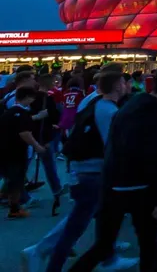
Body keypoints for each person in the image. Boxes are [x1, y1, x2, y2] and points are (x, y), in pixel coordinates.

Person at [69, 66, 157, 272]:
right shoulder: (151, 109)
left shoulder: (133, 104)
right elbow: (150, 154)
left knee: (104, 245)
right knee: (148, 245)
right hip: (137, 187)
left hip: (113, 183)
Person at [23, 68, 128, 272]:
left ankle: (108, 251)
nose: (127, 85)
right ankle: (45, 253)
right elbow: (111, 145)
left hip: (83, 168)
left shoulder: (91, 101)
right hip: (92, 171)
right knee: (78, 222)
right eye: (124, 81)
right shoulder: (106, 108)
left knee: (87, 216)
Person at [1, 86, 45, 219]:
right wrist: (37, 146)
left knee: (10, 179)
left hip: (4, 150)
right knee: (17, 181)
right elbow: (24, 133)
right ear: (27, 98)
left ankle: (8, 200)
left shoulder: (8, 112)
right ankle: (14, 209)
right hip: (16, 152)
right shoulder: (23, 114)